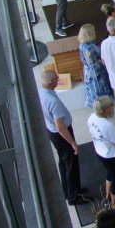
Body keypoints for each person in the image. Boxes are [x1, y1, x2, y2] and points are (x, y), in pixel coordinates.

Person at [38, 70, 85, 205]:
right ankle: (73, 196)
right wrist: (72, 143)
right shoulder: (52, 101)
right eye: (56, 78)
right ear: (51, 81)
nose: (58, 80)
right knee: (71, 163)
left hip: (53, 133)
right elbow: (60, 127)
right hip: (61, 134)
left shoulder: (42, 94)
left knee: (64, 162)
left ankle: (69, 190)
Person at [78, 24, 114, 108]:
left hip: (89, 71)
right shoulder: (88, 48)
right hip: (96, 74)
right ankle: (103, 107)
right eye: (93, 30)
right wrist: (104, 60)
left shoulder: (83, 44)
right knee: (99, 90)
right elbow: (93, 63)